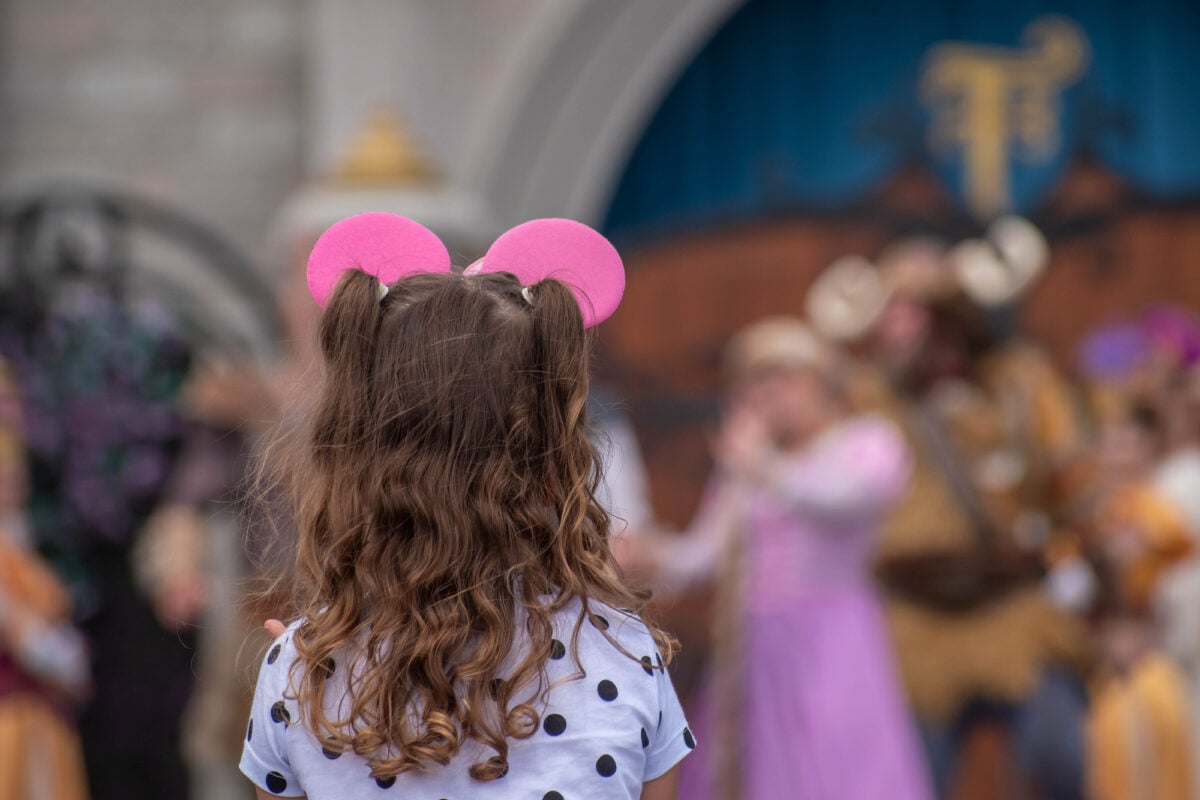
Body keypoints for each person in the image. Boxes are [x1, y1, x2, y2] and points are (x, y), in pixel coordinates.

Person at [240, 214, 694, 800]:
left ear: (356, 454)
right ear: (554, 459)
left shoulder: (301, 675)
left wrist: (311, 674)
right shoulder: (627, 659)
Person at [808, 221, 1092, 799]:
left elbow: (1077, 487)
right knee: (906, 781)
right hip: (911, 621)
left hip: (1014, 608)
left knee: (1061, 756)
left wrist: (1087, 574)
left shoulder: (1018, 384)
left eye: (923, 311)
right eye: (894, 311)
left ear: (958, 317)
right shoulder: (862, 397)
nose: (905, 325)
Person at [656, 317, 932, 800]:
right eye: (757, 382)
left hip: (833, 638)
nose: (770, 393)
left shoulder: (866, 442)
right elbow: (706, 553)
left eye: (783, 378)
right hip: (755, 648)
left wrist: (760, 465)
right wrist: (649, 553)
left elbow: (845, 498)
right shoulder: (752, 464)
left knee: (838, 763)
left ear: (822, 382)